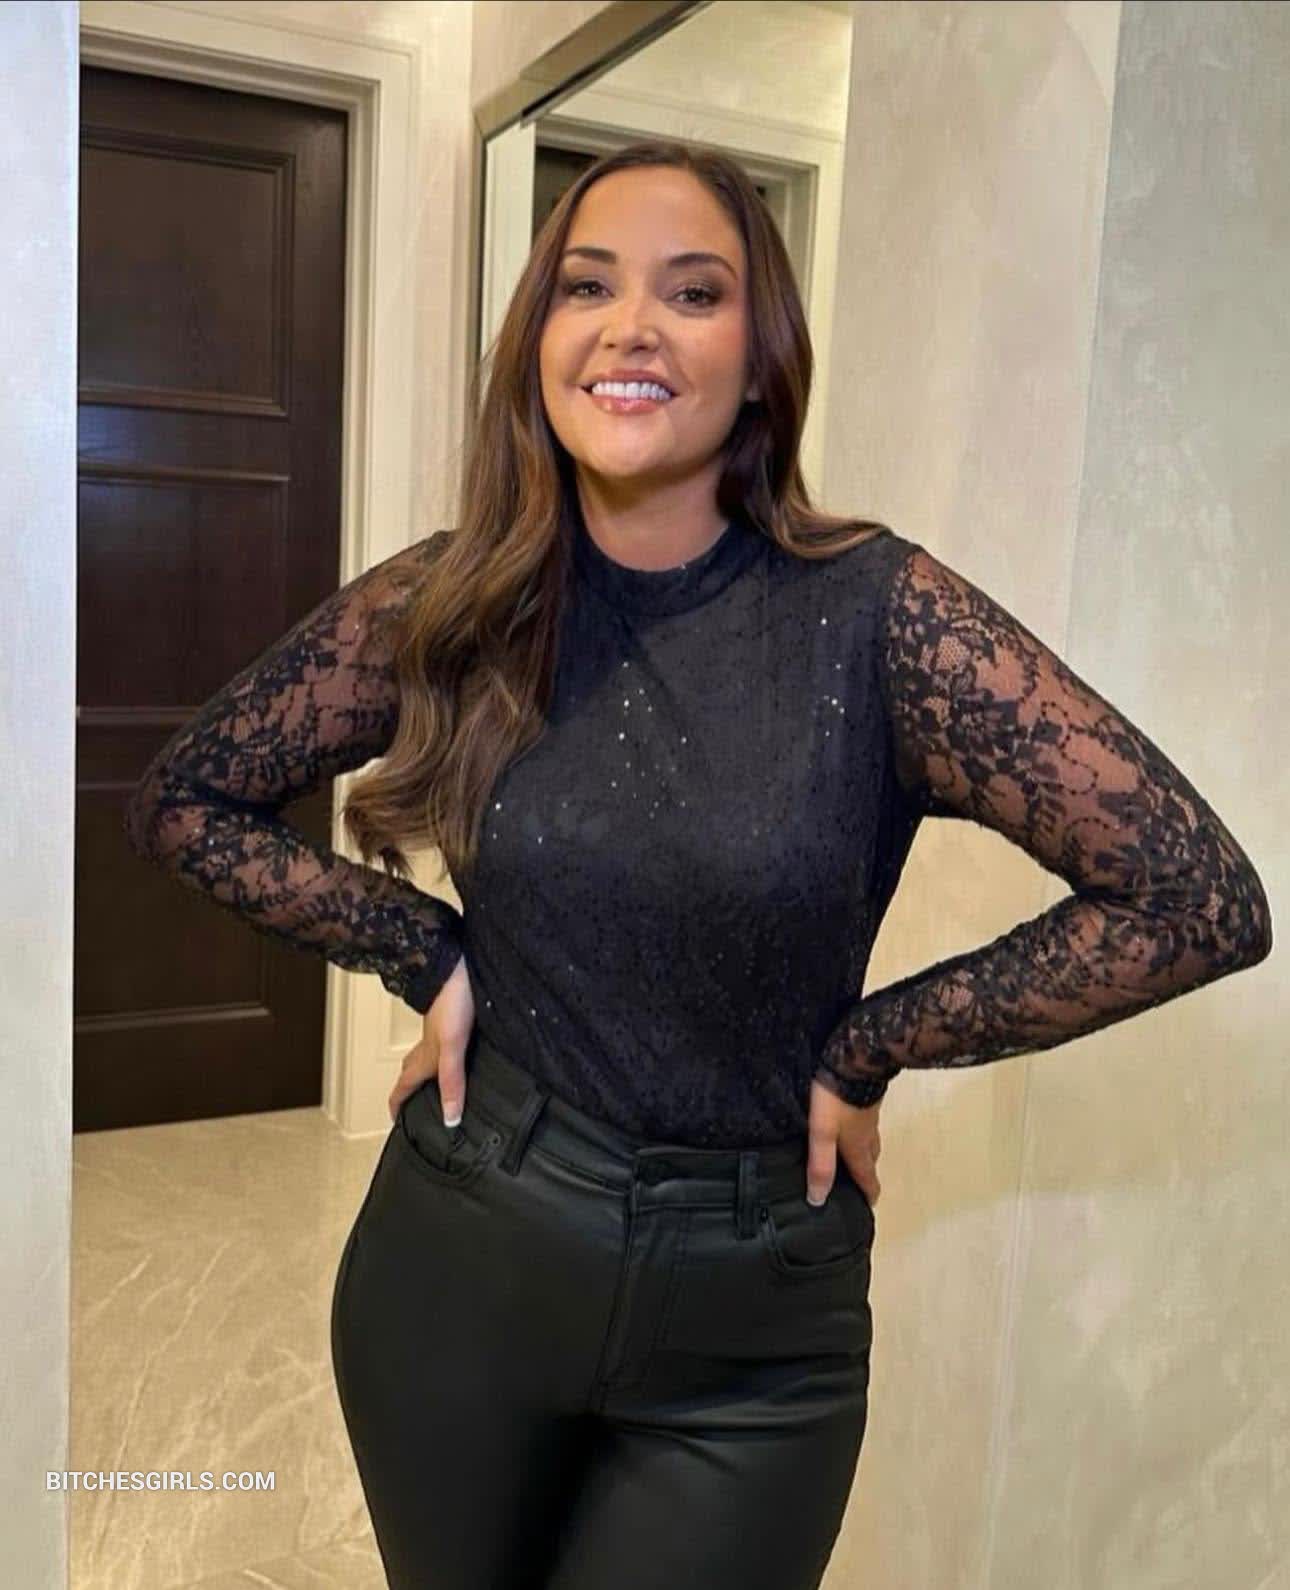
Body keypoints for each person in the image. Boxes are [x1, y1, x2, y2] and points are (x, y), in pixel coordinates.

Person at [122, 140, 1273, 1590]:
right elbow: (189, 801)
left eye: (693, 291)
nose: (631, 328)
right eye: (586, 286)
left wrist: (871, 1045)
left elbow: (1195, 896)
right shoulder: (453, 597)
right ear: (536, 337)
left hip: (757, 1326)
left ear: (761, 356)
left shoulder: (879, 617)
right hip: (467, 1250)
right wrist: (427, 949)